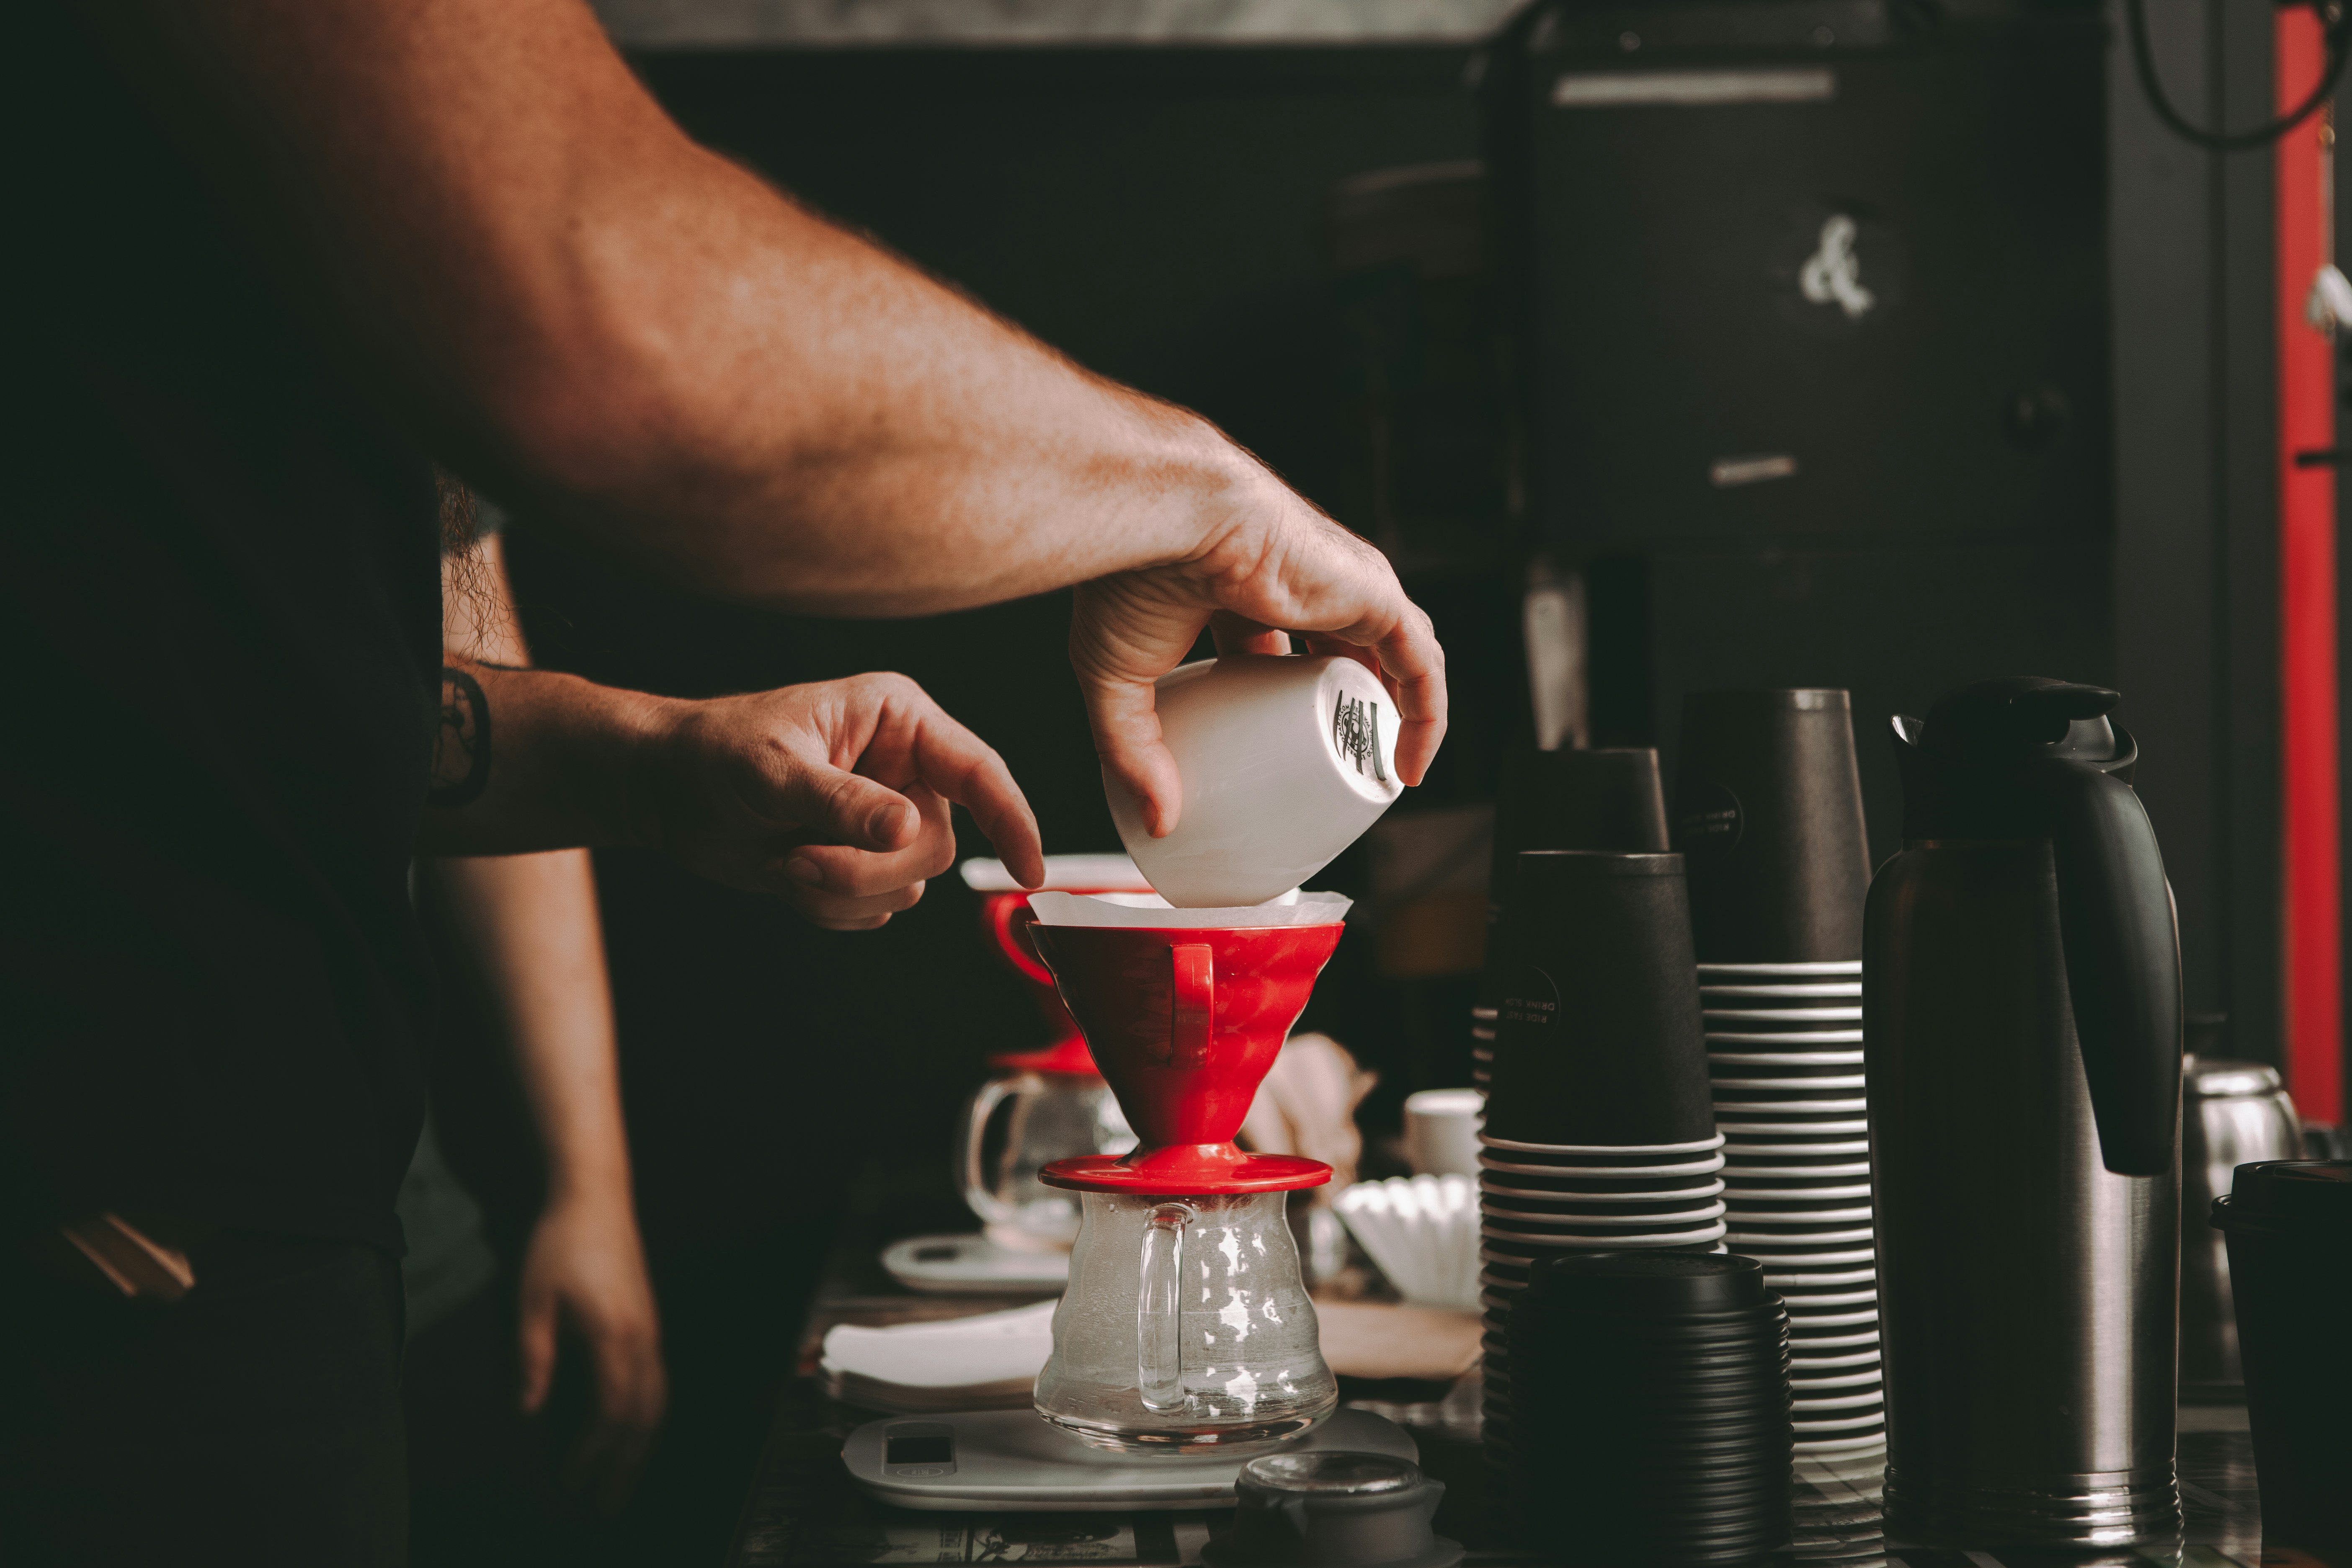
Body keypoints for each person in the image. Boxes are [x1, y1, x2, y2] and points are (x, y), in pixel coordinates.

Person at [2, 2, 1447, 1562]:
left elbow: (269, 662)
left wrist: (644, 767)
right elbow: (609, 307)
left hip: (267, 1190)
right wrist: (1198, 497)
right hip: (102, 1221)